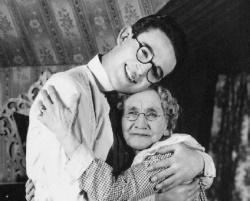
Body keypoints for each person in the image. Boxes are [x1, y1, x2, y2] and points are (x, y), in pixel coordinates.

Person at [26, 14, 214, 201]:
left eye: (155, 72)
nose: (141, 70)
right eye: (144, 52)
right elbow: (66, 193)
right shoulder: (70, 88)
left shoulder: (130, 112)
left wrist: (201, 162)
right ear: (124, 36)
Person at [35, 85, 215, 201]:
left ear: (168, 127)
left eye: (152, 114)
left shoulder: (169, 155)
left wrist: (64, 134)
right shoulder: (129, 157)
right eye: (132, 113)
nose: (140, 123)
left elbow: (111, 195)